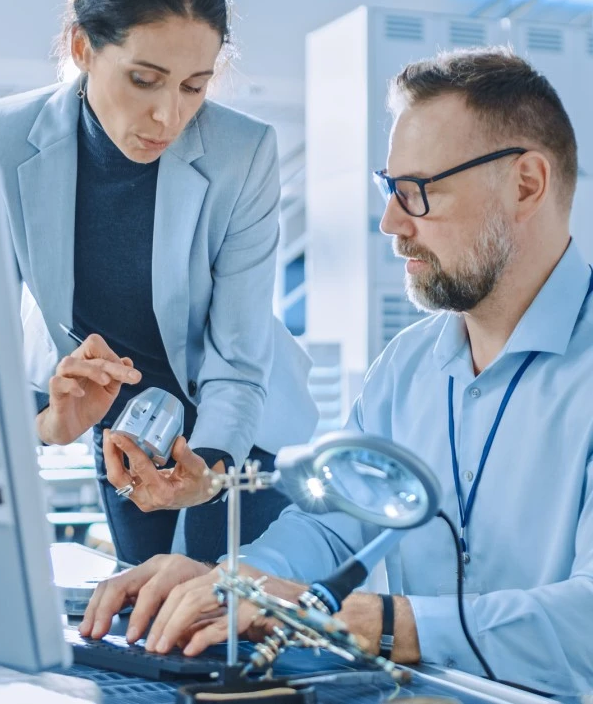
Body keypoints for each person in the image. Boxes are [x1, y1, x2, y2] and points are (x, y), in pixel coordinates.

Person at [80, 47, 593, 696]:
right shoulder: (405, 367)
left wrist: (371, 621)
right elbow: (330, 522)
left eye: (419, 192)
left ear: (526, 184)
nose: (391, 222)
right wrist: (235, 583)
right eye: (390, 188)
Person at [0, 0, 318, 565]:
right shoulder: (3, 136)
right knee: (143, 621)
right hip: (126, 425)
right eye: (144, 80)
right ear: (82, 48)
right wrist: (45, 424)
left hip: (239, 432)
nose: (169, 115)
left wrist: (208, 470)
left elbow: (237, 359)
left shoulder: (244, 152)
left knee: (218, 616)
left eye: (194, 86)